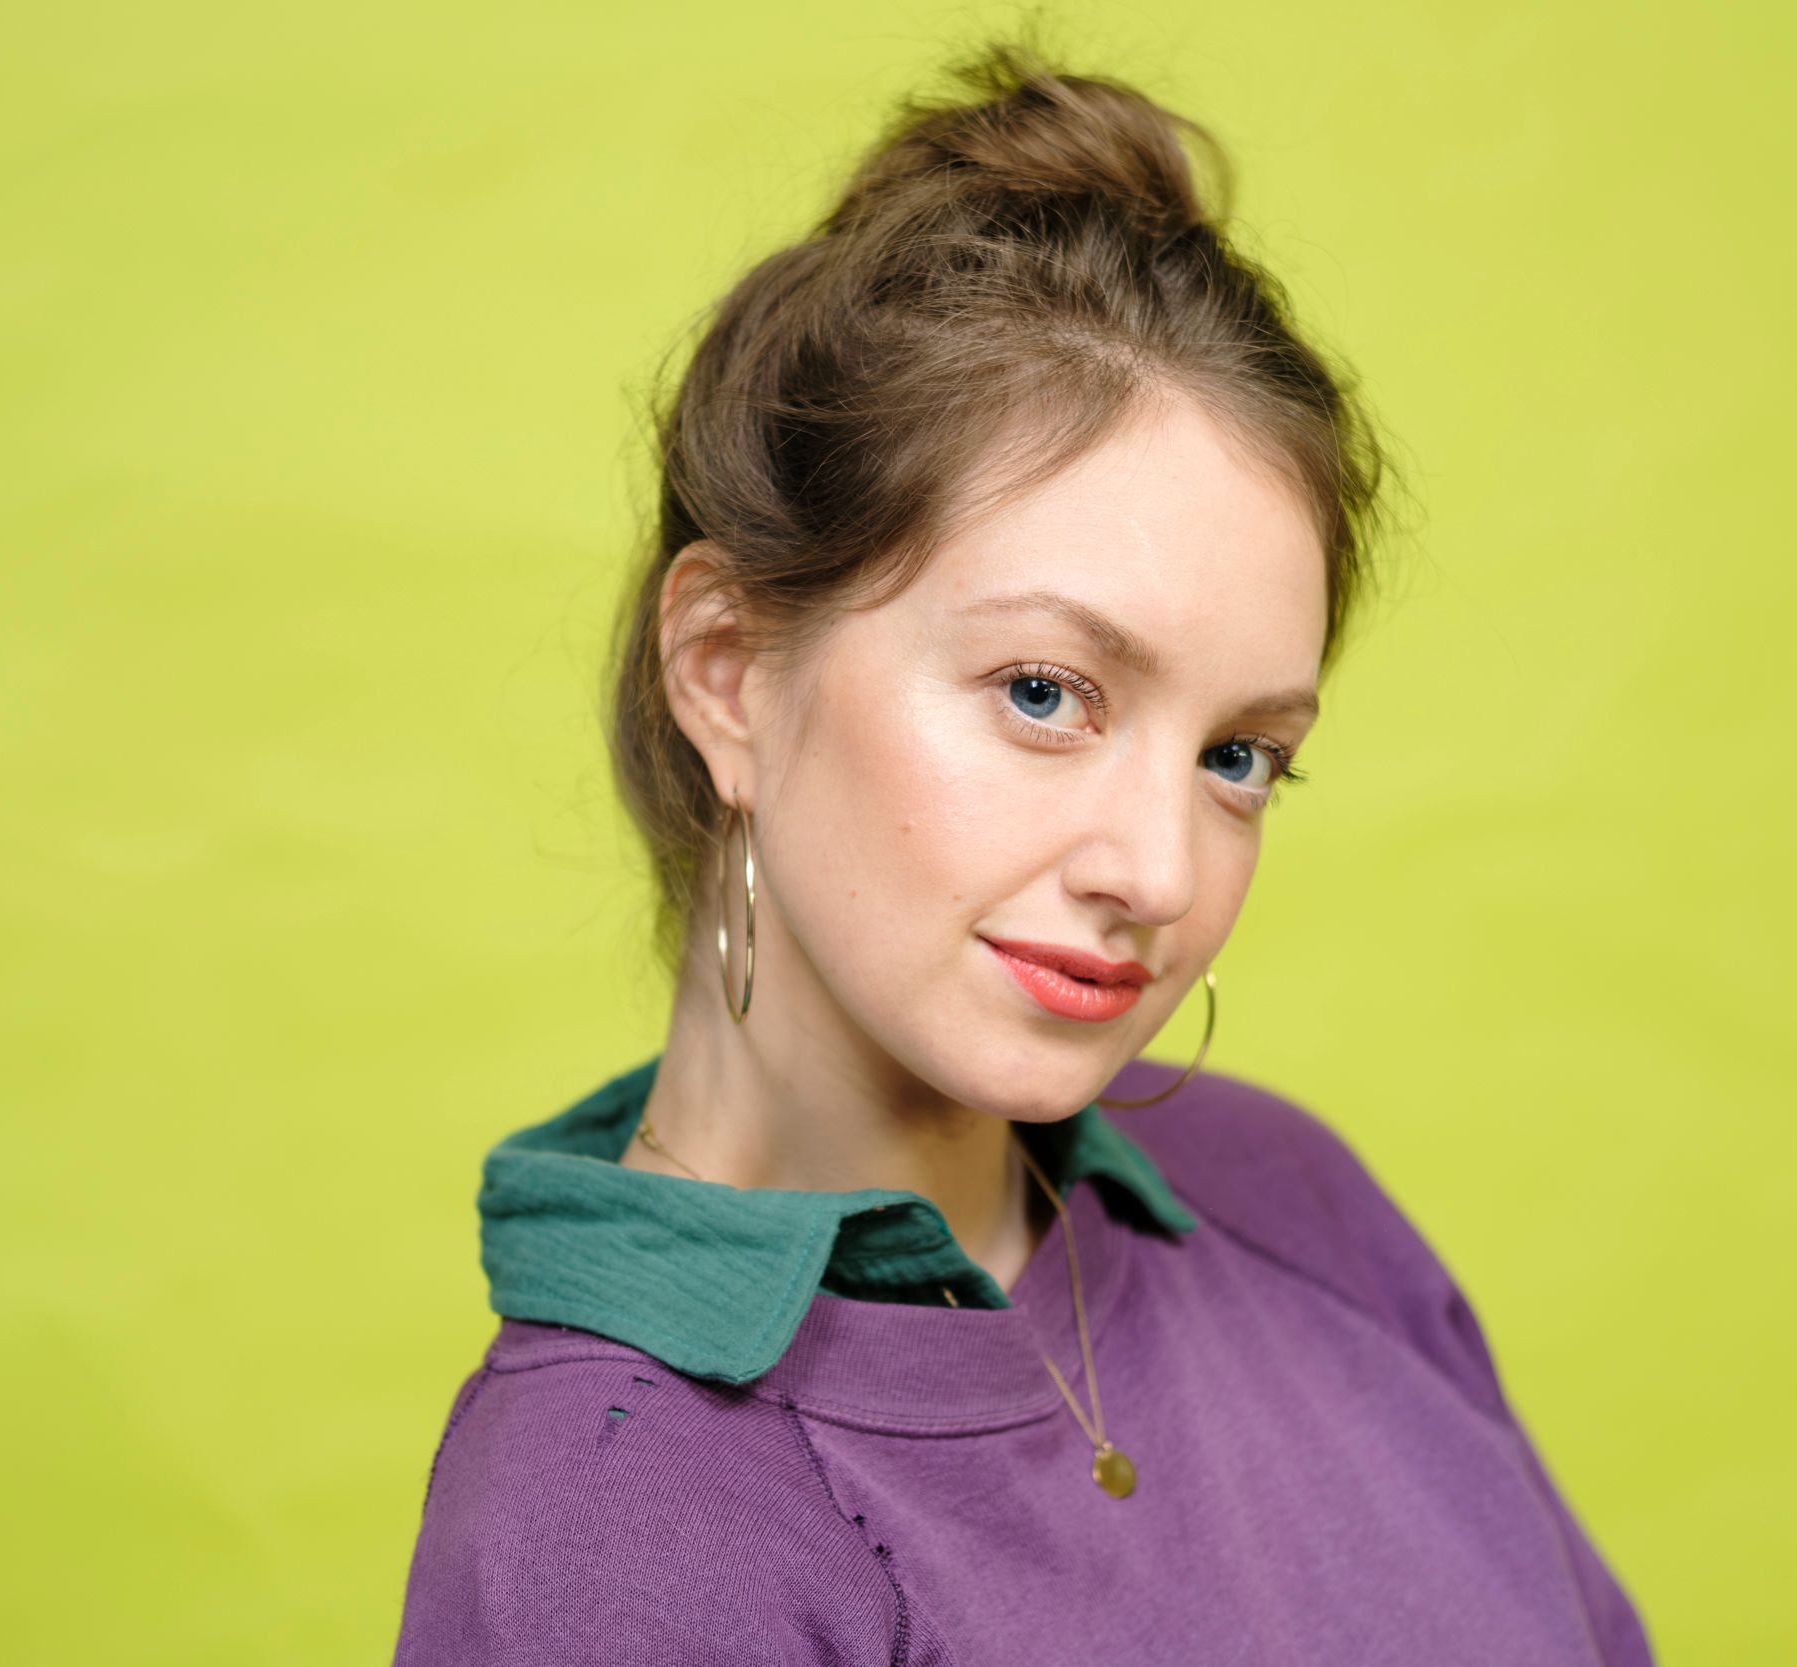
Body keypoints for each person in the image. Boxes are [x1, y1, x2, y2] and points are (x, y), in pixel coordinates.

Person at [390, 40, 1654, 1665]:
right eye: (1046, 693)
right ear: (727, 670)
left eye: (1238, 757)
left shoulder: (1293, 1202)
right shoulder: (616, 1533)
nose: (1160, 874)